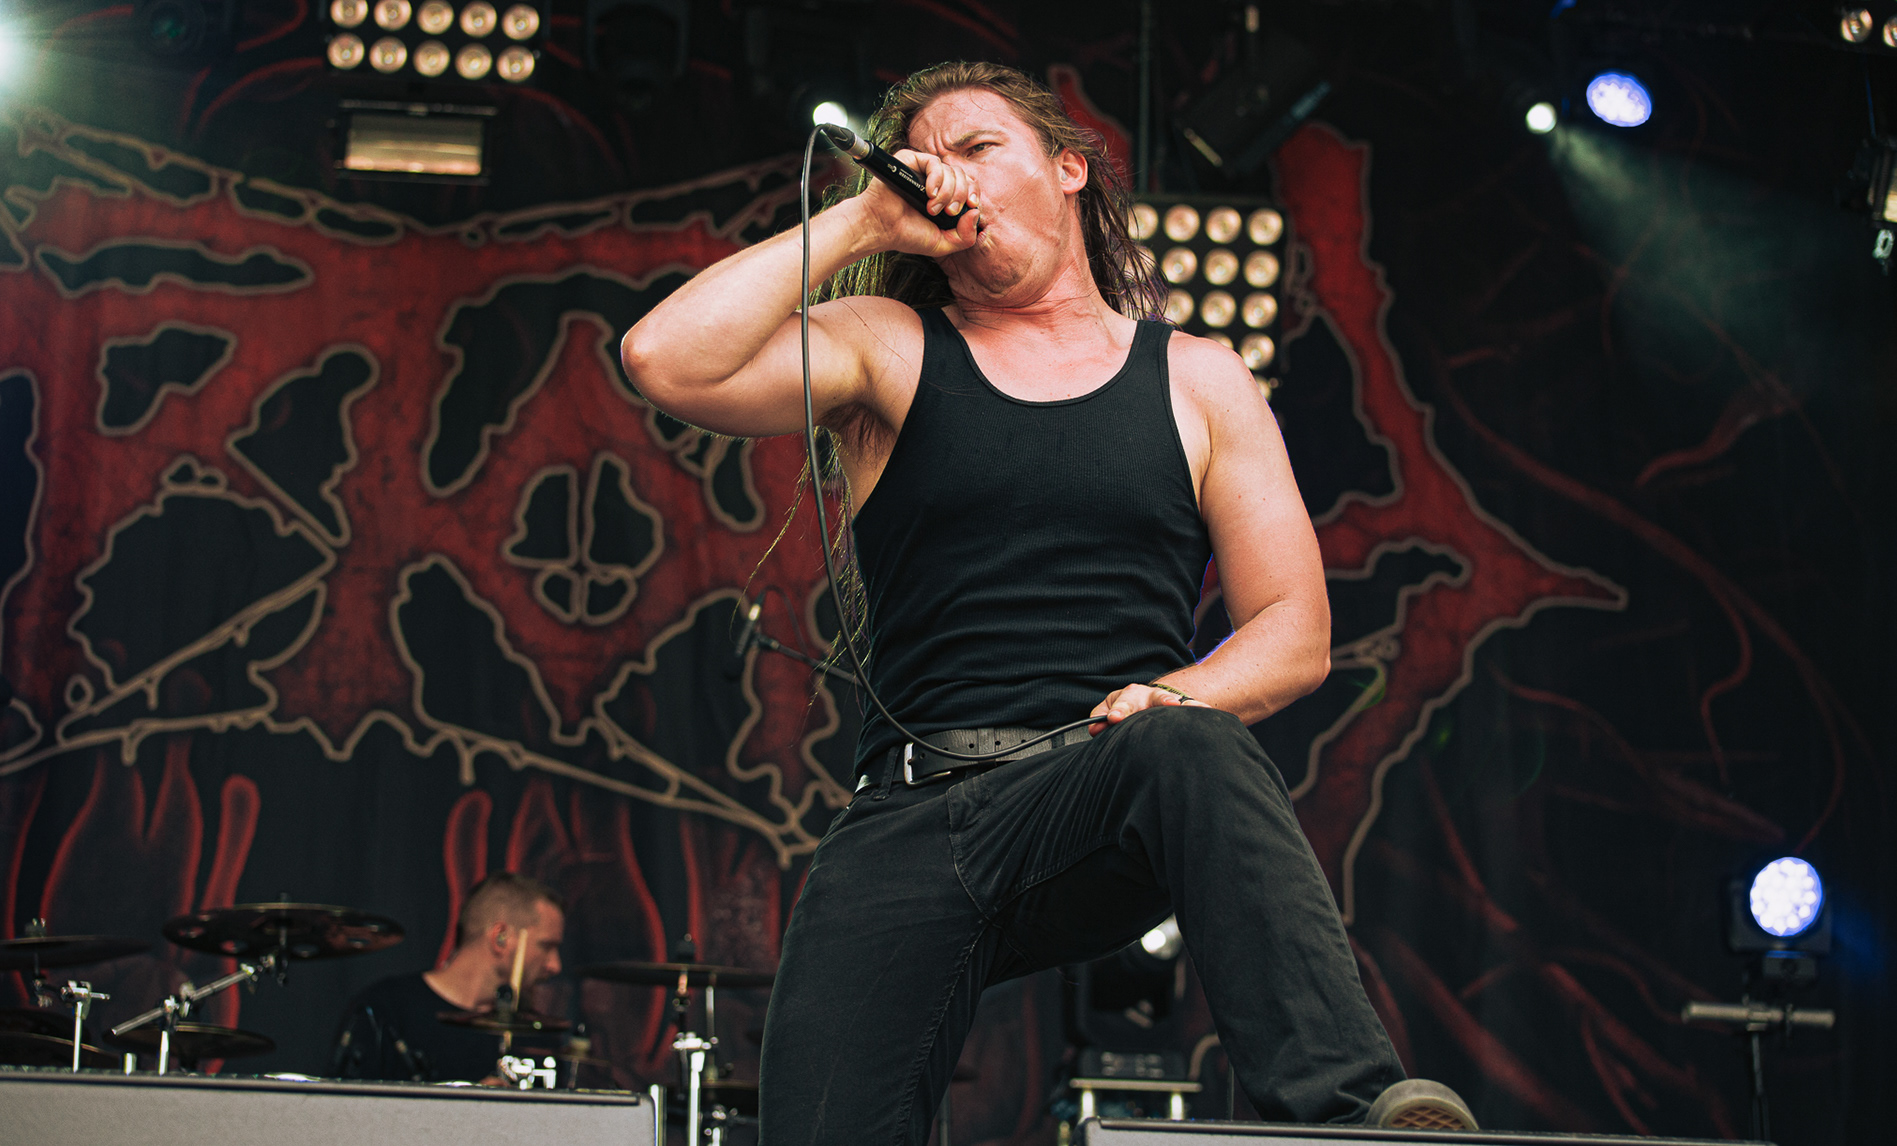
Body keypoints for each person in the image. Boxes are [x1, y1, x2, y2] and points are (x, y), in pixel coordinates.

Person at [622, 60, 1475, 1145]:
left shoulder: (1198, 378)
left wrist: (1178, 695)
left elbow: (1294, 632)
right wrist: (863, 218)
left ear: (1068, 169)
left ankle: (1358, 1119)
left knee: (1192, 744)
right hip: (912, 813)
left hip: (1096, 780)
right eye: (926, 160)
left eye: (979, 147)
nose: (950, 175)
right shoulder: (889, 344)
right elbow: (664, 361)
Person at [329, 872, 565, 1082]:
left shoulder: (535, 1034)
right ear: (500, 937)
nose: (555, 965)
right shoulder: (385, 1011)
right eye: (546, 946)